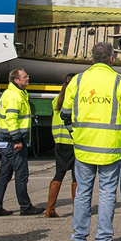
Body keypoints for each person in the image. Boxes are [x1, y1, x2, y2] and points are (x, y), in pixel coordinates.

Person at [62, 42, 121, 241]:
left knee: (82, 193)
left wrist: (75, 133)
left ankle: (78, 240)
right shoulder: (119, 82)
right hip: (110, 147)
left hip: (84, 146)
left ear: (92, 58)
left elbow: (65, 114)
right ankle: (104, 240)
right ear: (111, 58)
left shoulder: (77, 80)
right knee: (106, 193)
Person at [0, 68, 39, 216]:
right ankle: (25, 206)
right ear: (16, 80)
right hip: (13, 143)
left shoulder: (16, 93)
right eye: (25, 77)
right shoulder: (14, 96)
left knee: (4, 175)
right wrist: (17, 140)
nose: (28, 78)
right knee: (21, 174)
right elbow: (11, 120)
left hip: (7, 142)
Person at [46, 74, 75, 218]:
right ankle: (76, 209)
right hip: (72, 141)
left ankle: (50, 208)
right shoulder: (74, 101)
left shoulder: (57, 100)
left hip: (59, 142)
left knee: (59, 173)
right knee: (77, 177)